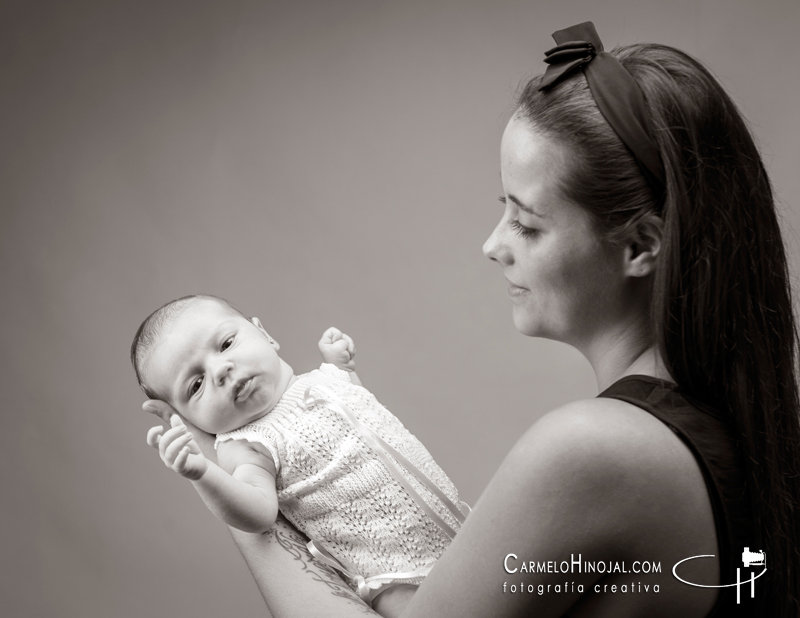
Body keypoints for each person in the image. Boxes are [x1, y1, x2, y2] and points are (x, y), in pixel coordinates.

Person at [142, 22, 800, 618]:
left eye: (526, 221)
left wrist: (230, 476)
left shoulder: (592, 452)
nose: (494, 244)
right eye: (500, 208)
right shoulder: (726, 423)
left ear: (640, 246)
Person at [133, 295, 467, 618]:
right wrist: (203, 473)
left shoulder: (322, 379)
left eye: (225, 344)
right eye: (195, 385)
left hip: (458, 526)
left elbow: (362, 421)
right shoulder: (248, 444)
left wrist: (343, 368)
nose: (220, 370)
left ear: (265, 334)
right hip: (396, 578)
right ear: (187, 418)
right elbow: (259, 513)